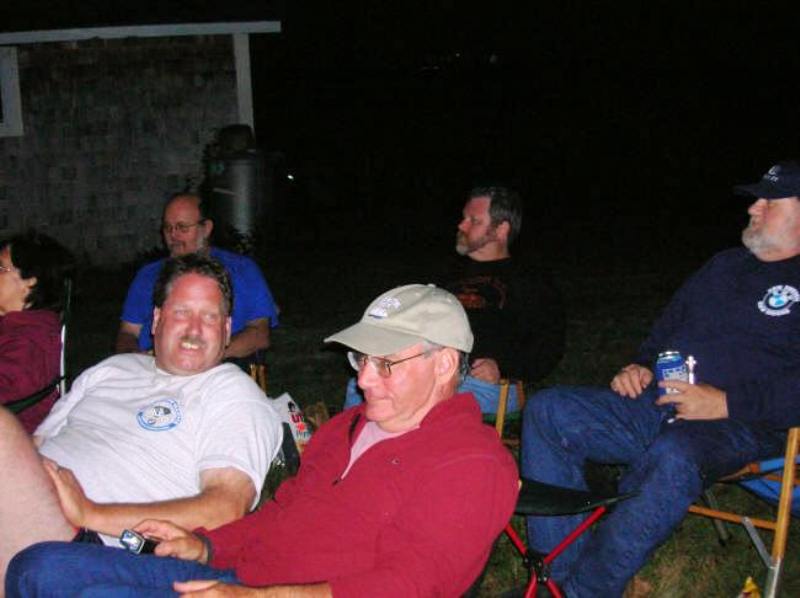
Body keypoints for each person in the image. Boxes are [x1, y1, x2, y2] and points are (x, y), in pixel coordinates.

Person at [8, 284, 519, 597]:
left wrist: (259, 597)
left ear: (444, 365)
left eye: (385, 363)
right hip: (241, 578)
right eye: (361, 359)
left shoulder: (472, 463)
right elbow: (278, 515)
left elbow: (412, 586)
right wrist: (206, 545)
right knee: (41, 567)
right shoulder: (346, 428)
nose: (363, 378)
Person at [520, 161, 800, 597]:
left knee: (675, 453)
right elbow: (666, 330)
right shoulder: (723, 267)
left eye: (769, 201)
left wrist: (726, 403)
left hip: (741, 426)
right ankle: (554, 579)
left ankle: (584, 591)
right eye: (755, 199)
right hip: (658, 404)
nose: (753, 208)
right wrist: (641, 365)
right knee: (549, 410)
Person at [0, 254, 283, 591]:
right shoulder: (110, 370)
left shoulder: (233, 393)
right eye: (182, 312)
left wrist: (91, 512)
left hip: (98, 545)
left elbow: (225, 507)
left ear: (226, 330)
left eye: (209, 317)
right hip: (33, 508)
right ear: (157, 320)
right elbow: (34, 449)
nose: (194, 330)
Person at [344, 185, 565, 414]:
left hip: (488, 385)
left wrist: (502, 366)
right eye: (463, 218)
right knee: (361, 384)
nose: (461, 225)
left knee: (394, 390)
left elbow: (548, 348)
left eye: (473, 220)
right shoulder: (447, 273)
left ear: (501, 230)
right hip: (429, 369)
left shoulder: (529, 280)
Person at [116, 193, 279, 360]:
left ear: (206, 228)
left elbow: (259, 335)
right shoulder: (148, 275)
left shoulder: (242, 270)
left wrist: (204, 357)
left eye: (182, 227)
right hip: (153, 366)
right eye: (168, 228)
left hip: (219, 365)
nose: (173, 236)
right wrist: (136, 359)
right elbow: (128, 333)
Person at [0, 231, 74, 432]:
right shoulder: (11, 324)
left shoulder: (33, 338)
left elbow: (7, 386)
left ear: (30, 281)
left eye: (0, 268)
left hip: (15, 437)